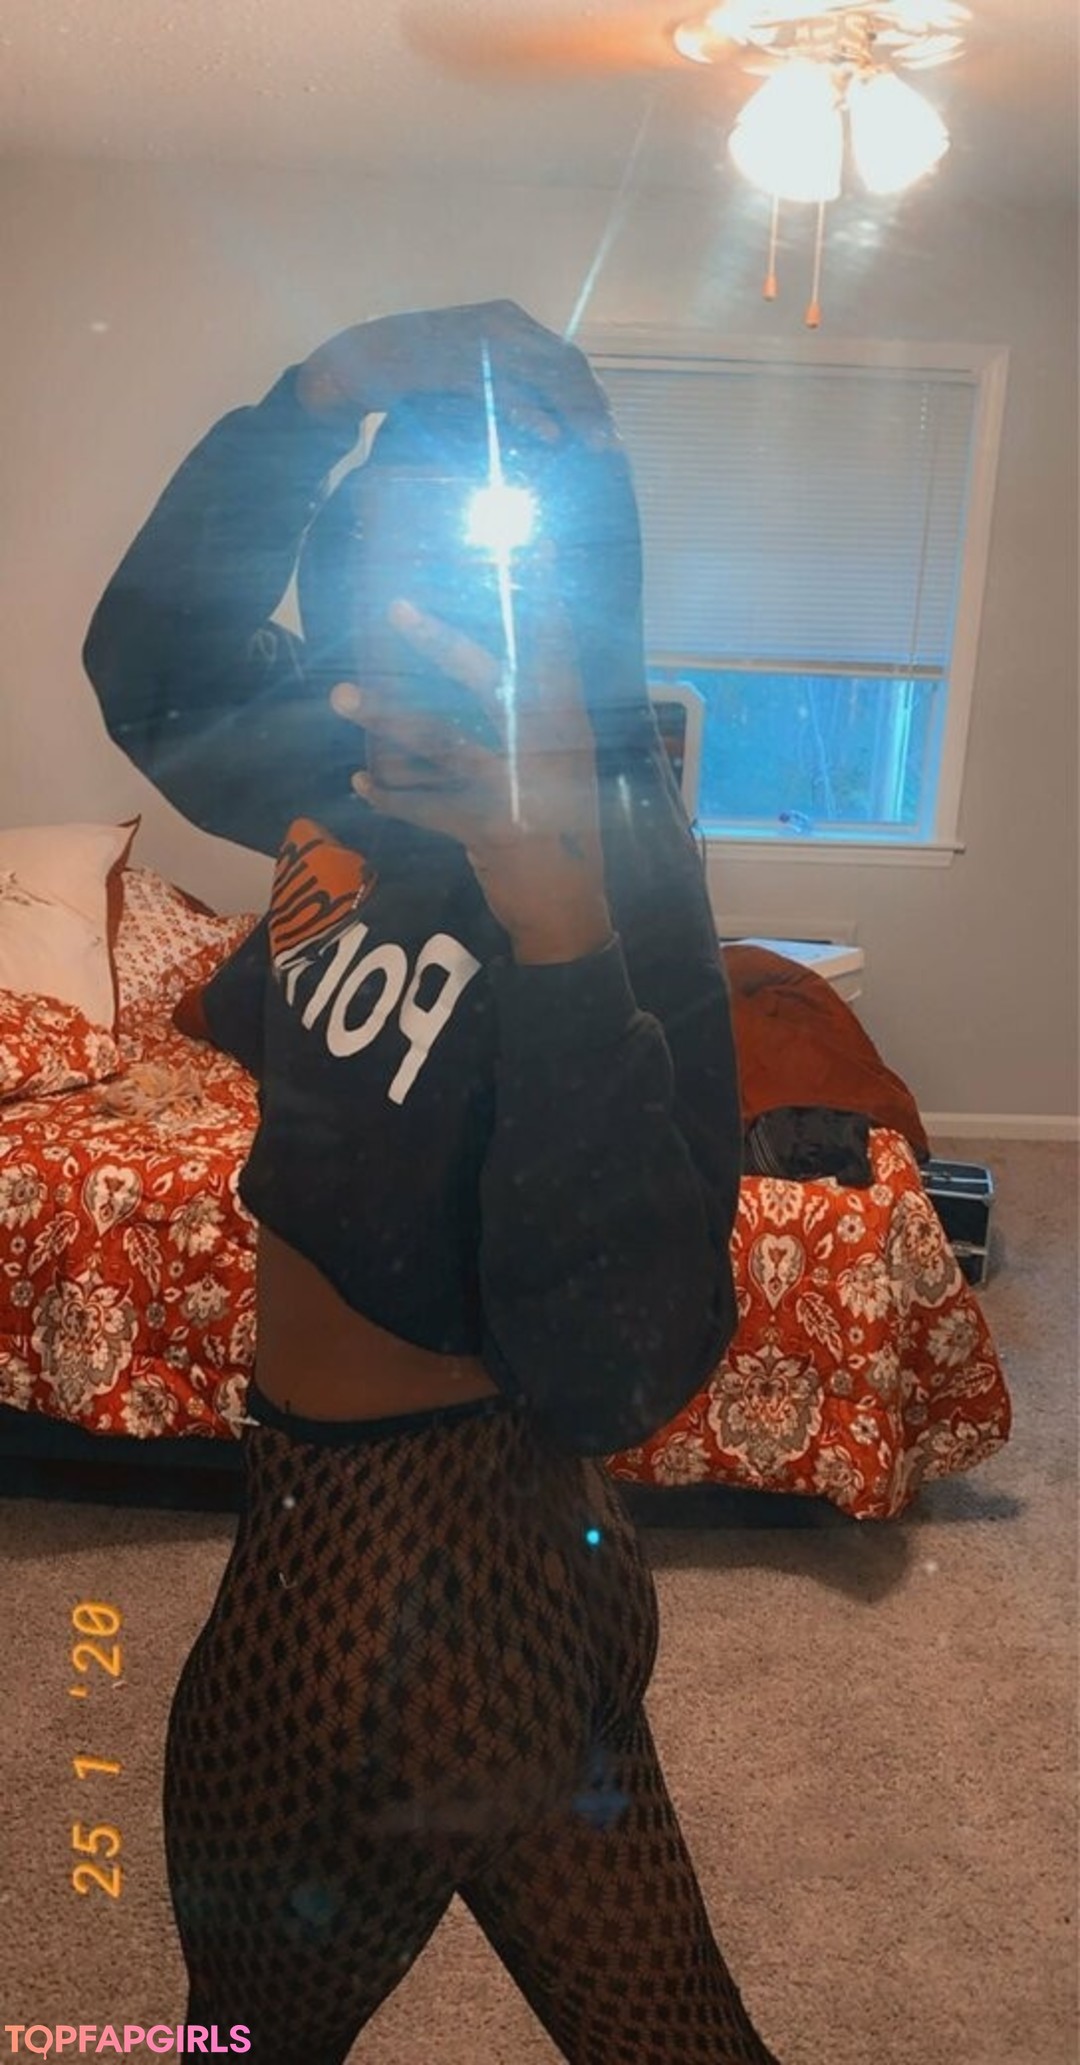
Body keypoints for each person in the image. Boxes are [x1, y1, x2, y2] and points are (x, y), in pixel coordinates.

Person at [83, 300, 782, 2065]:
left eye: (468, 583)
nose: (415, 622)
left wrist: (551, 908)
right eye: (380, 571)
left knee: (230, 2045)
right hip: (448, 1555)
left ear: (568, 604)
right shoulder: (339, 768)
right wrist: (327, 385)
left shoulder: (615, 863)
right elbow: (150, 661)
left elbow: (624, 1343)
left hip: (395, 1567)